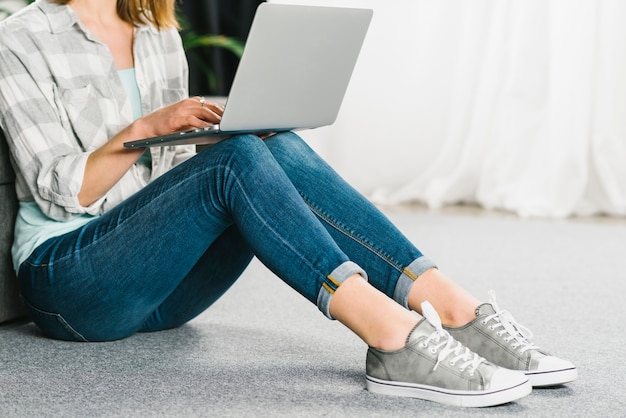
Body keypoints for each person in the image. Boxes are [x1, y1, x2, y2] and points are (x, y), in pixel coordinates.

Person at [0, 0, 577, 408]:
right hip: (72, 286)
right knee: (238, 161)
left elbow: (169, 181)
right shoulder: (19, 36)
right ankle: (394, 338)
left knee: (270, 145)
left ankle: (455, 311)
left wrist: (204, 138)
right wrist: (146, 128)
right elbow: (60, 186)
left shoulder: (155, 30)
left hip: (164, 293)